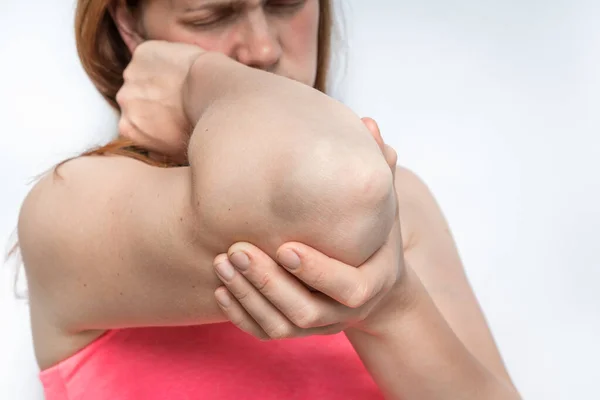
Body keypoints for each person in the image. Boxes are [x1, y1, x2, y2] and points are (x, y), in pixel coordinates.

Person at [15, 0, 520, 399]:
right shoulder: (68, 208)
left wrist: (391, 307)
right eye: (211, 14)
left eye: (284, 3)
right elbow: (320, 195)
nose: (260, 48)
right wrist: (197, 79)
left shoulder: (402, 197)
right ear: (130, 24)